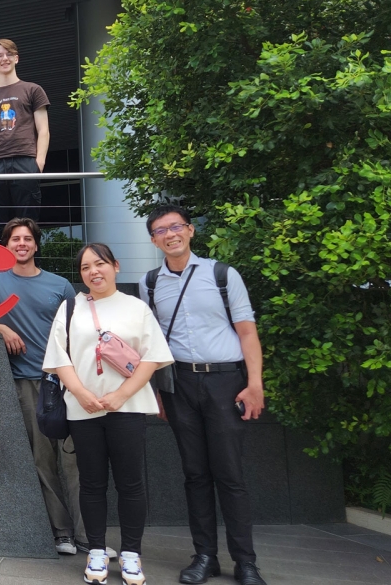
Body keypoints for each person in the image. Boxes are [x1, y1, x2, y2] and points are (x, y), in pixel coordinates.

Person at [140, 205, 268, 585]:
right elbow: (153, 345)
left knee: (230, 474)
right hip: (179, 384)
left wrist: (254, 382)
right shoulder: (150, 283)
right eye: (161, 230)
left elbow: (247, 332)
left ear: (190, 231)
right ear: (153, 240)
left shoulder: (222, 274)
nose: (170, 234)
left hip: (225, 382)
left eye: (176, 227)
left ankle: (246, 561)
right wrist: (159, 394)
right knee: (194, 473)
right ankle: (205, 556)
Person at [43, 243, 173, 585]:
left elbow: (152, 357)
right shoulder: (71, 307)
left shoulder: (136, 308)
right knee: (92, 482)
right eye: (85, 268)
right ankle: (97, 550)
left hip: (128, 408)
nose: (93, 272)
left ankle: (131, 554)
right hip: (83, 409)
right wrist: (82, 394)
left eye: (99, 264)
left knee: (131, 483)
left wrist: (120, 395)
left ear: (115, 266)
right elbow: (59, 359)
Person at [0, 218, 97, 558]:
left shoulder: (59, 285)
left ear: (36, 245)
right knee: (42, 460)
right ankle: (62, 533)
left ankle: (89, 536)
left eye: (27, 239)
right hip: (27, 382)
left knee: (76, 461)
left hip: (69, 381)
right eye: (15, 239)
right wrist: (0, 328)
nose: (21, 244)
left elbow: (80, 329)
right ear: (6, 245)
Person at [0, 39, 52, 241]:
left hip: (25, 159)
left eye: (8, 54)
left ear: (16, 58)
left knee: (28, 224)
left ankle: (31, 270)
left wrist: (39, 162)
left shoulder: (33, 90)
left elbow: (43, 129)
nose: (4, 58)